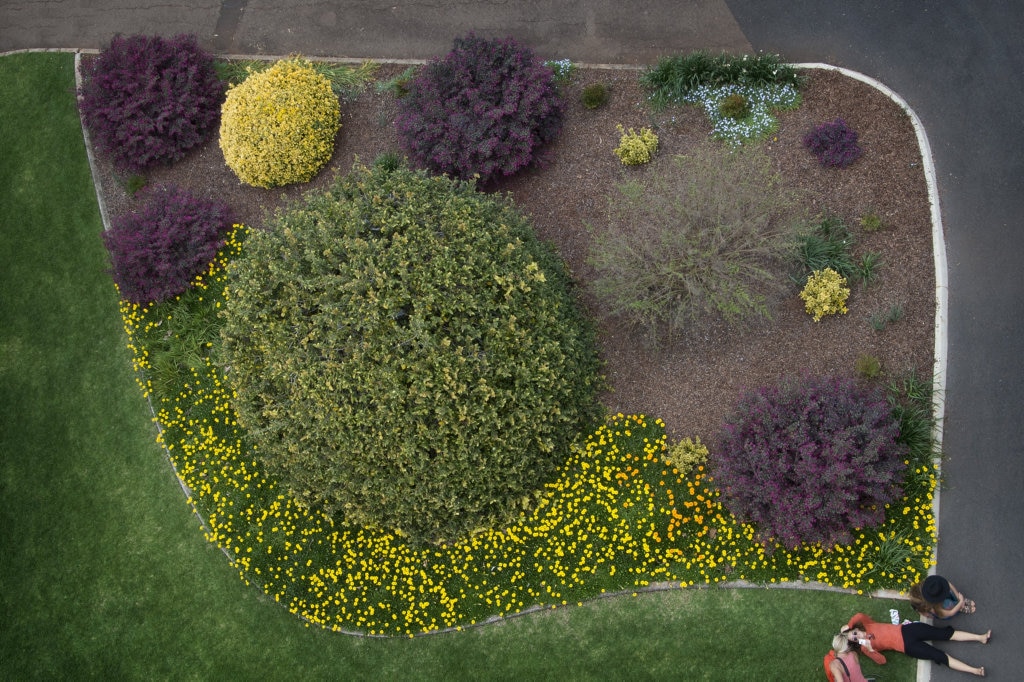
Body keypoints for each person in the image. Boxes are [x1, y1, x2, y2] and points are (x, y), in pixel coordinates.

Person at [841, 612, 989, 677]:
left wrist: (848, 626)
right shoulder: (864, 648)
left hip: (908, 630)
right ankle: (974, 670)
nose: (855, 636)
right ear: (854, 642)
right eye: (853, 638)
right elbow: (882, 661)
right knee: (938, 655)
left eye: (853, 633)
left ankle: (980, 637)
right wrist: (871, 649)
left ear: (855, 629)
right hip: (907, 647)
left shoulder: (867, 624)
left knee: (944, 634)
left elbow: (859, 615)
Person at [910, 574, 976, 619]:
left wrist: (957, 595)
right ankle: (960, 607)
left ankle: (958, 602)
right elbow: (951, 613)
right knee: (948, 604)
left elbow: (948, 583)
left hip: (942, 600)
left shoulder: (933, 585)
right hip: (946, 609)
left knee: (950, 593)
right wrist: (961, 602)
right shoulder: (936, 609)